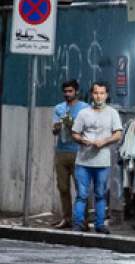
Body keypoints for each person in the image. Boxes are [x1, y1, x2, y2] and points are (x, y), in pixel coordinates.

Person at [70, 81, 122, 234]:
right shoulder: (83, 113)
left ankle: (100, 224)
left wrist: (104, 141)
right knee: (82, 195)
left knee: (100, 195)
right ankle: (78, 223)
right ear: (92, 94)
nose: (99, 96)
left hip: (102, 161)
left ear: (106, 95)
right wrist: (81, 140)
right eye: (96, 93)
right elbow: (75, 133)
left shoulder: (112, 113)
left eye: (102, 93)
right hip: (83, 161)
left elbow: (118, 134)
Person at [51, 80, 91, 230]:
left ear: (76, 92)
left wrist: (71, 124)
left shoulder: (84, 108)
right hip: (61, 151)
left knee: (81, 188)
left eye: (70, 91)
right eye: (65, 91)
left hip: (78, 152)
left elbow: (87, 129)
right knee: (63, 187)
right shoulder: (59, 108)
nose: (68, 94)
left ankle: (83, 220)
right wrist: (57, 127)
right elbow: (54, 131)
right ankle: (66, 218)